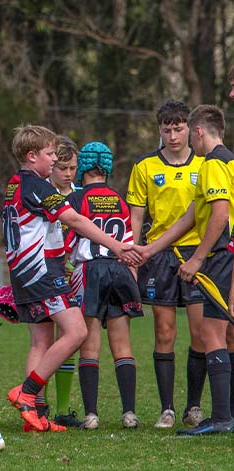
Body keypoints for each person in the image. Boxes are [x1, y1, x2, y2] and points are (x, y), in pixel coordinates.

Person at [3, 124, 139, 432]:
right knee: (77, 331)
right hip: (42, 272)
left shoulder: (15, 183)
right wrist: (116, 245)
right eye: (50, 154)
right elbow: (75, 220)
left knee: (41, 341)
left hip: (24, 273)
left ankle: (35, 416)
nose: (54, 159)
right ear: (31, 155)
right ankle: (27, 392)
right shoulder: (38, 186)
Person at [137, 105, 234, 435]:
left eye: (187, 132)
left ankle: (220, 417)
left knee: (211, 333)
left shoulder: (214, 163)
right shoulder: (227, 161)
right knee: (221, 332)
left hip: (218, 256)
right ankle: (224, 414)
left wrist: (197, 258)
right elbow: (192, 215)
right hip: (219, 256)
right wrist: (149, 249)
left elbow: (219, 215)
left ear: (198, 131)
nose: (184, 138)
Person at [126, 100, 206, 429]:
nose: (172, 136)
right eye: (167, 129)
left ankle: (194, 407)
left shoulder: (205, 164)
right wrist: (132, 256)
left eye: (178, 129)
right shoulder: (145, 166)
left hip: (198, 253)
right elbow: (136, 216)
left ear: (191, 129)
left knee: (201, 333)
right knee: (164, 332)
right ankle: (168, 409)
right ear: (159, 130)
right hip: (158, 256)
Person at [65, 142, 144, 429]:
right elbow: (128, 240)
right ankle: (129, 413)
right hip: (120, 270)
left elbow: (69, 240)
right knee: (123, 346)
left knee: (90, 347)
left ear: (82, 168)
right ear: (107, 168)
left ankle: (91, 415)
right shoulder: (119, 199)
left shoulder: (76, 199)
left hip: (91, 272)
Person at [43, 136, 82, 428]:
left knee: (69, 340)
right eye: (63, 168)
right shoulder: (42, 192)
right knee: (44, 340)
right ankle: (38, 406)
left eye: (73, 168)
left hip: (75, 273)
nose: (68, 174)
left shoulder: (81, 195)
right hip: (47, 272)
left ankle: (63, 408)